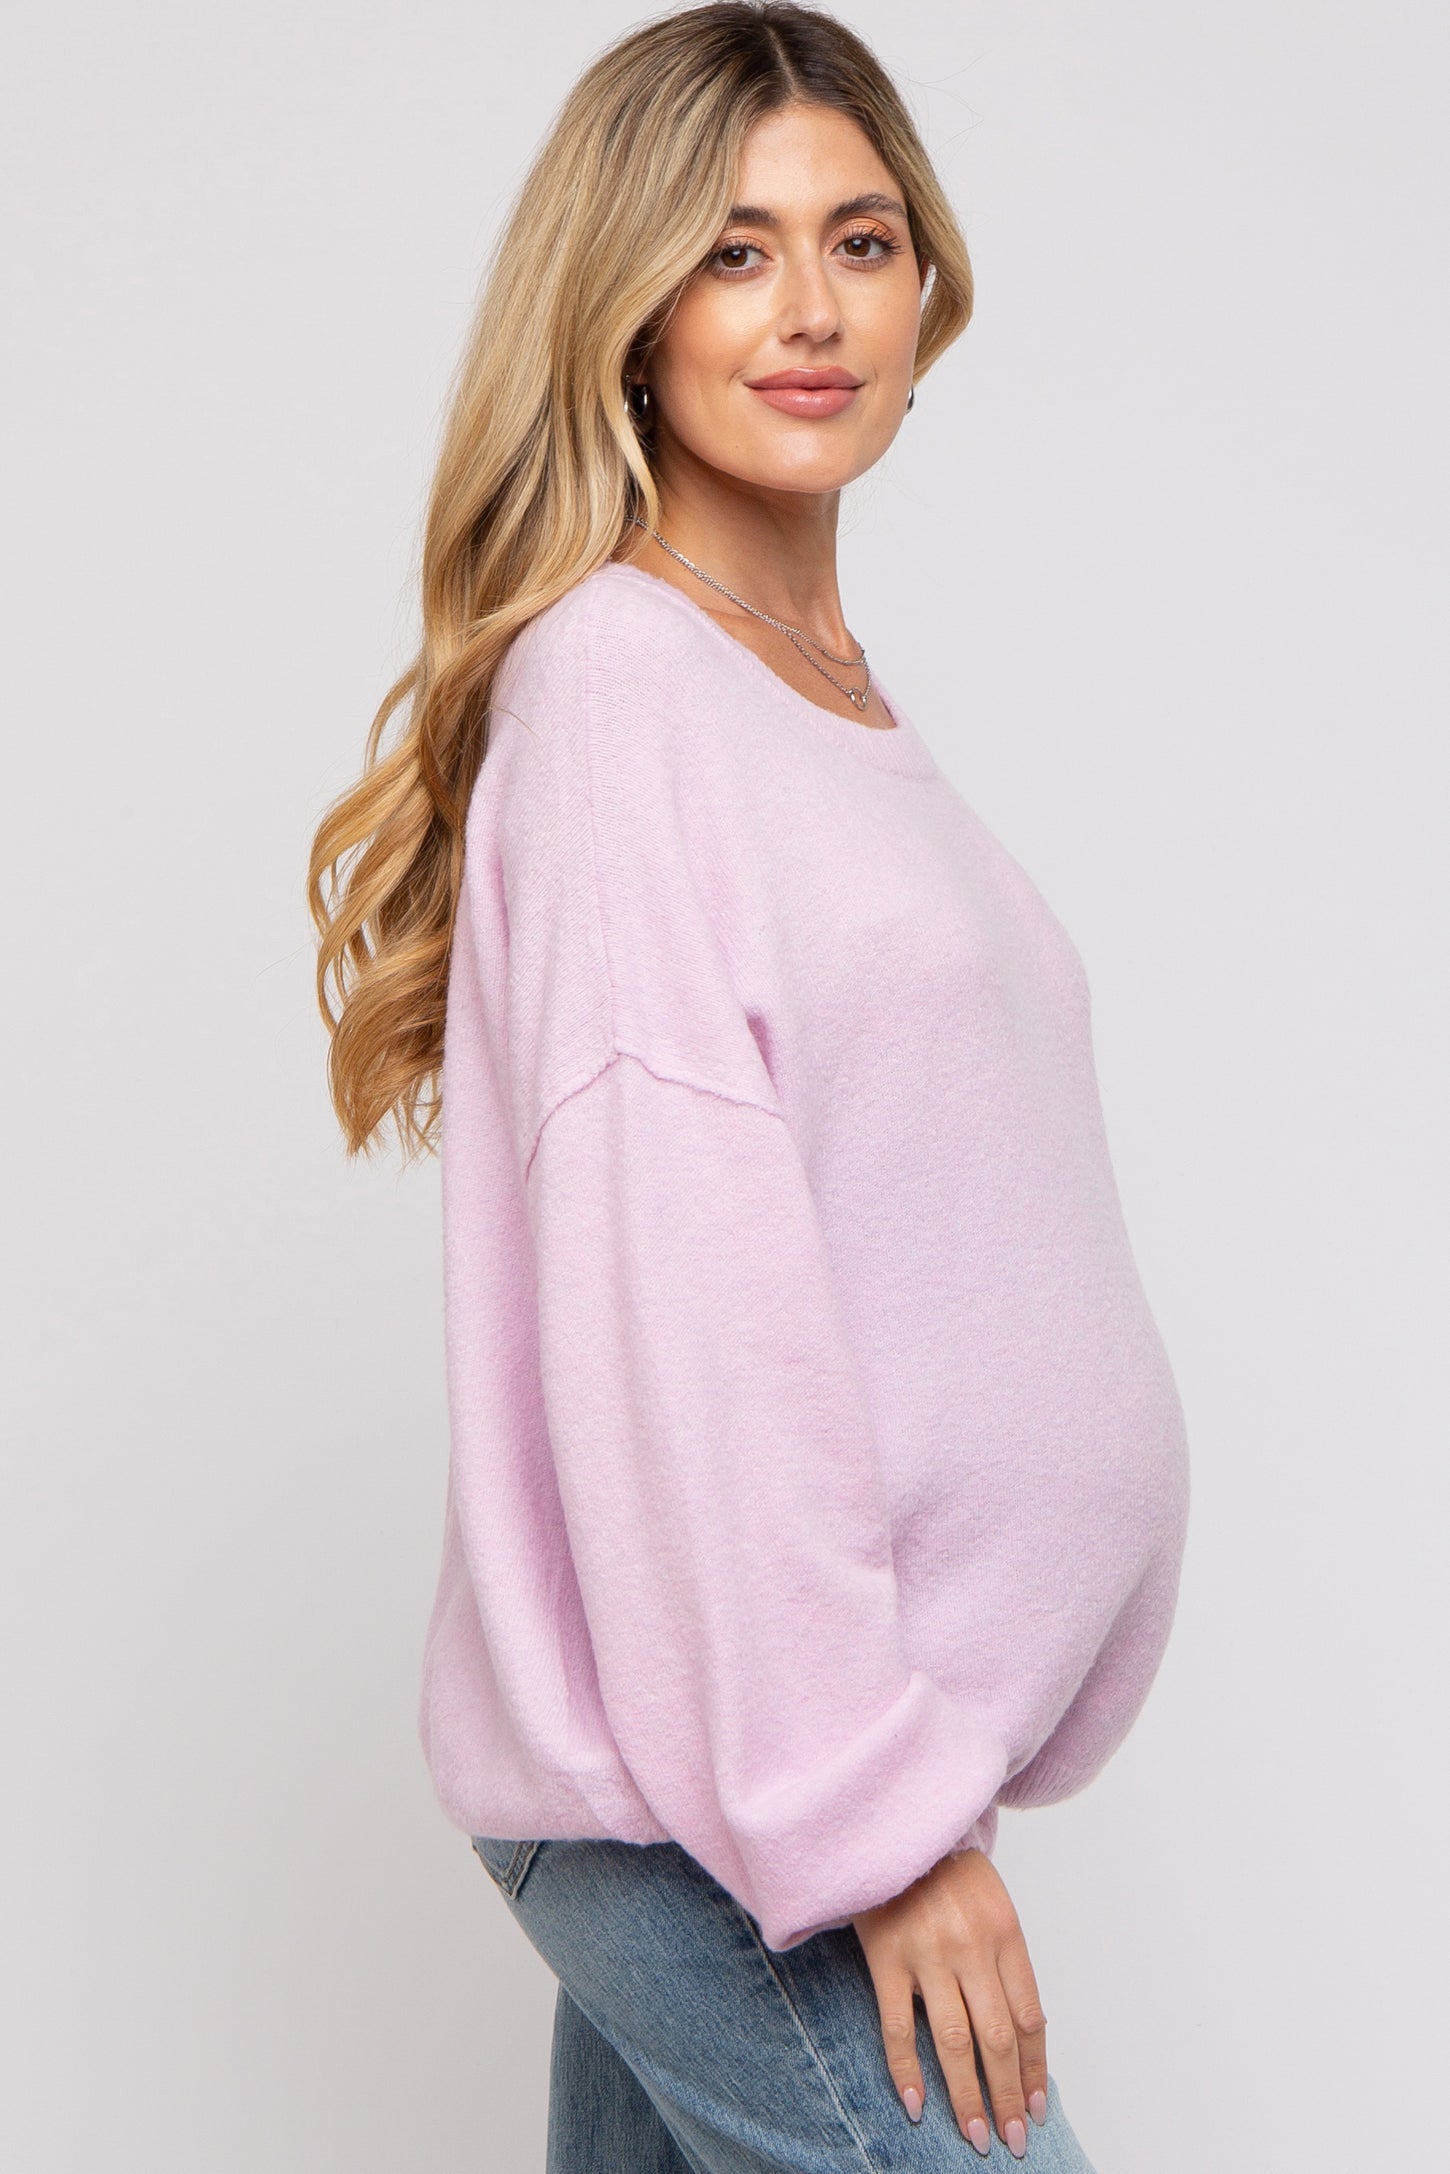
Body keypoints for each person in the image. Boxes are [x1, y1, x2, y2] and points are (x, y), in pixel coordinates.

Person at [308, 4, 1191, 2167]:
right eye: (730, 251)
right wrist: (870, 1821)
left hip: (758, 1764)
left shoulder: (806, 695)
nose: (808, 307)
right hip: (741, 1795)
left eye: (858, 240)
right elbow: (690, 1315)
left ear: (922, 286)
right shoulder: (625, 687)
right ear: (626, 311)